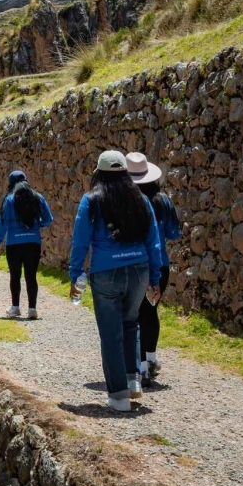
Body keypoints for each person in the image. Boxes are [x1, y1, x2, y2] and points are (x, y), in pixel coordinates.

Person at [68, 150, 163, 413]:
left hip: (106, 272)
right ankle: (133, 382)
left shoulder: (92, 200)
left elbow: (80, 240)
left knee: (110, 333)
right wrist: (154, 277)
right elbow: (153, 240)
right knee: (131, 324)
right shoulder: (141, 199)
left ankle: (119, 397)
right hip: (139, 270)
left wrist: (75, 274)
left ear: (98, 173)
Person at [127, 151, 181, 387]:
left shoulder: (130, 201)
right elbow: (175, 232)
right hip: (161, 263)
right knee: (151, 311)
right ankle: (151, 360)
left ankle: (139, 367)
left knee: (136, 314)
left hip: (137, 263)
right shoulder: (162, 200)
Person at [0, 170, 53, 320]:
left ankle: (15, 307)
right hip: (33, 242)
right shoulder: (38, 197)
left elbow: (3, 222)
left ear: (11, 184)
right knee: (31, 276)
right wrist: (37, 224)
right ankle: (32, 310)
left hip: (14, 244)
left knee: (15, 275)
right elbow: (48, 219)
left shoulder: (9, 200)